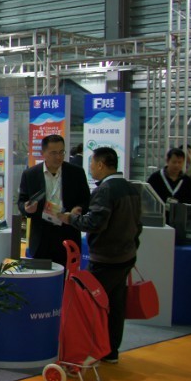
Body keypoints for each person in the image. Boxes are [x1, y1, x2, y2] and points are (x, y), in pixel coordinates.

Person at [60, 147, 142, 364]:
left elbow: (95, 223)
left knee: (92, 305)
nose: (90, 168)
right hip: (125, 256)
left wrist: (70, 218)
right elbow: (138, 224)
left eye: (92, 163)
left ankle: (92, 349)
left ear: (100, 165)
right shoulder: (130, 188)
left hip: (106, 259)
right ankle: (110, 351)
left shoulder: (105, 190)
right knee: (115, 306)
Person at [17, 134, 91, 267]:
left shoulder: (76, 173)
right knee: (41, 276)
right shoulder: (30, 174)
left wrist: (79, 209)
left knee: (66, 275)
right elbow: (22, 201)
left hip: (67, 232)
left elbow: (86, 200)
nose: (58, 157)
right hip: (41, 235)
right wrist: (27, 208)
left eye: (62, 152)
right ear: (43, 153)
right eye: (53, 153)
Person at [147, 148, 191, 223]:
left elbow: (190, 202)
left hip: (179, 220)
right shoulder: (155, 178)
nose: (177, 165)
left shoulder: (186, 180)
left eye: (180, 162)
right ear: (167, 161)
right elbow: (148, 199)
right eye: (174, 162)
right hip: (159, 217)